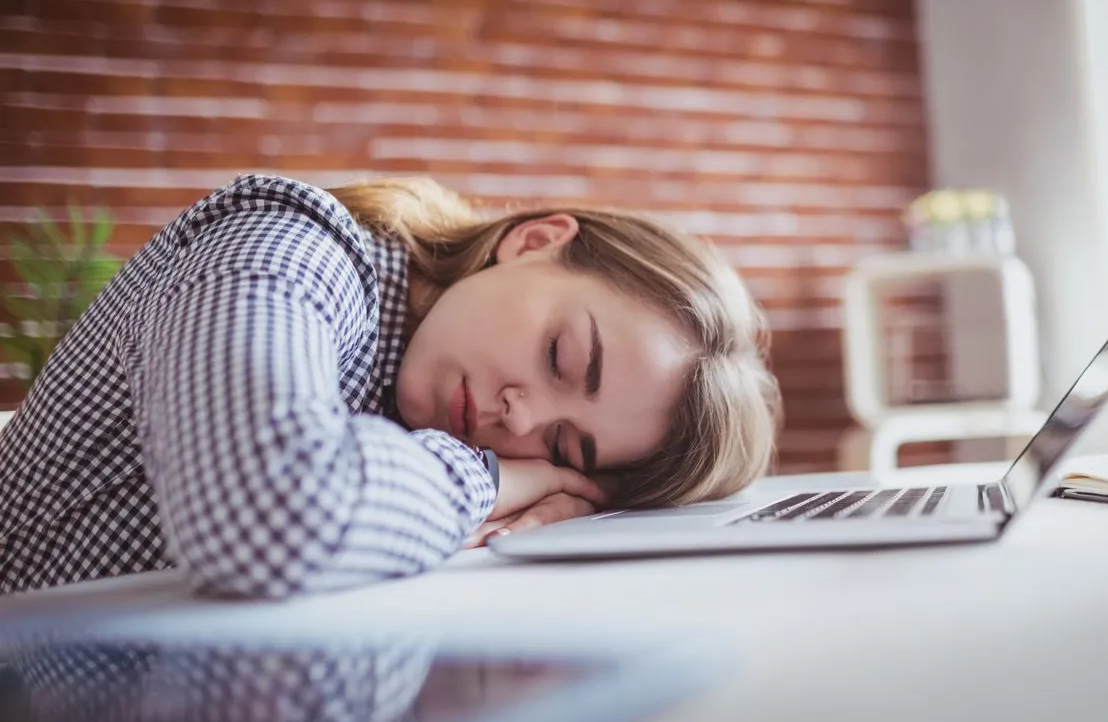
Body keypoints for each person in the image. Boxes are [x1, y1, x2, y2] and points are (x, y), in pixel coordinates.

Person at [0, 174, 780, 598]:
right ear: (533, 242)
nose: (521, 416)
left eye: (563, 446)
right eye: (559, 356)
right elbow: (267, 518)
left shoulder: (407, 412)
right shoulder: (287, 246)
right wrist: (494, 478)